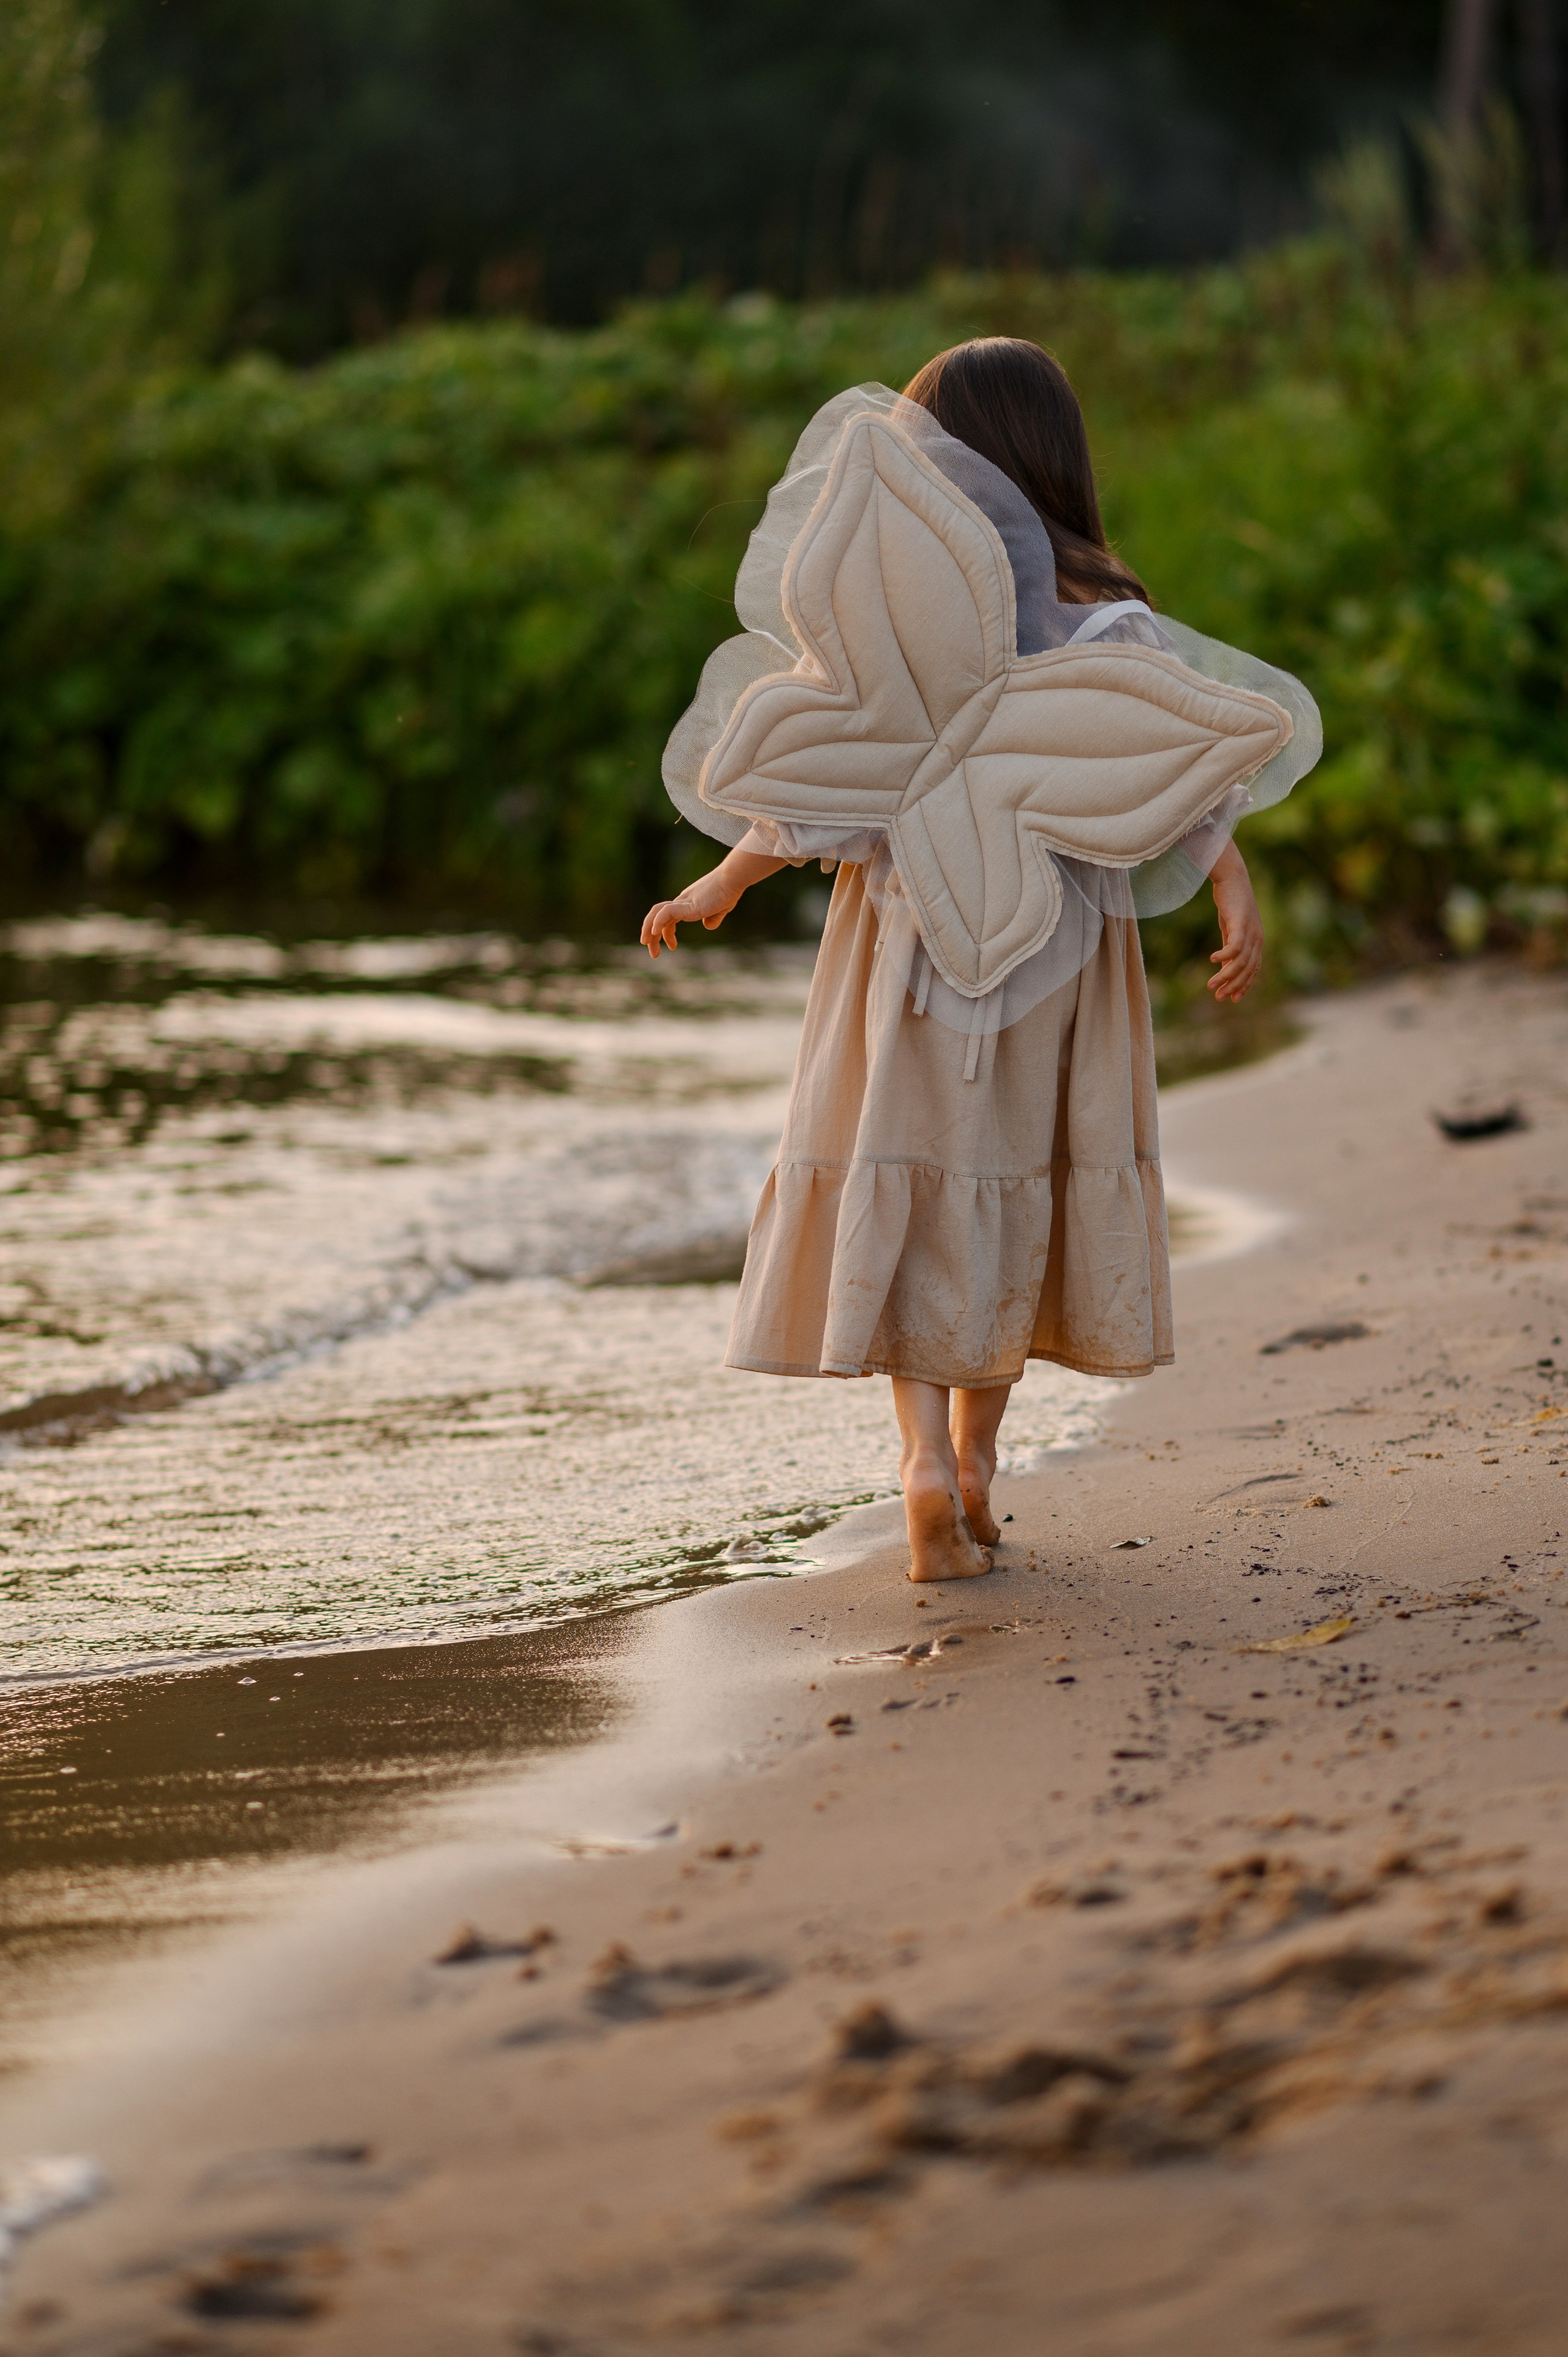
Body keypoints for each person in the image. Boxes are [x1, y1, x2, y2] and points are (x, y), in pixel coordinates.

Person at [641, 338, 1319, 1583]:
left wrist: (719, 882)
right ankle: (975, 1461)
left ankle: (915, 1462)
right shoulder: (1110, 616)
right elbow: (1163, 762)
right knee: (1016, 1182)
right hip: (1056, 958)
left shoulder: (905, 610)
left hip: (908, 947)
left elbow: (823, 771)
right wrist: (1231, 881)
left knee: (916, 1172)